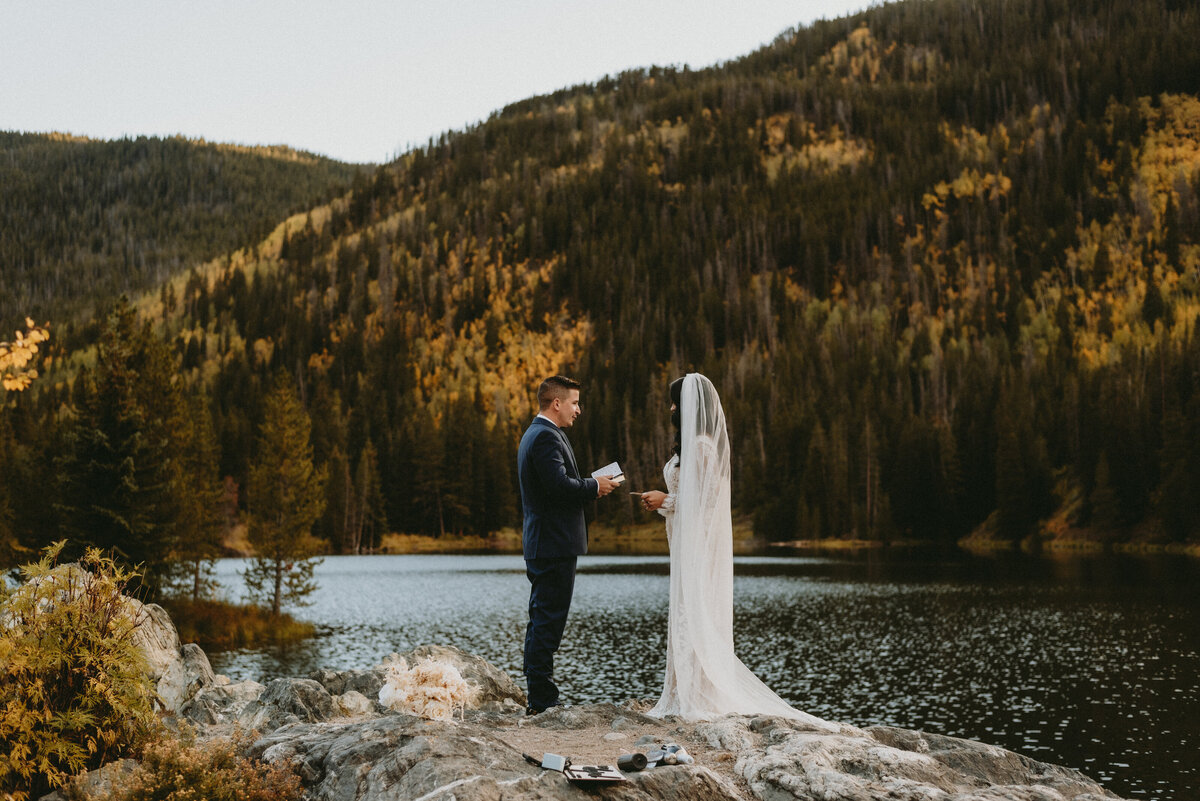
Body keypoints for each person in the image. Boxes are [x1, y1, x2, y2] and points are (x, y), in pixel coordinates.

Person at [639, 373, 835, 727]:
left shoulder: (702, 446)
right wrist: (665, 503)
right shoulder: (687, 446)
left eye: (673, 401)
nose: (669, 408)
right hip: (683, 540)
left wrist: (665, 499)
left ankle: (700, 694)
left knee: (694, 610)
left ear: (686, 406)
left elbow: (707, 501)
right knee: (684, 608)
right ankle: (682, 689)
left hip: (698, 545)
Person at [517, 375, 619, 715]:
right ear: (556, 403)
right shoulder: (545, 437)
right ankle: (543, 700)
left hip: (547, 542)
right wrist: (593, 486)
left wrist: (592, 484)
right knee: (548, 620)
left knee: (542, 618)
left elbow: (556, 486)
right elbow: (559, 487)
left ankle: (539, 694)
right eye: (574, 402)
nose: (579, 409)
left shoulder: (541, 434)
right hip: (553, 544)